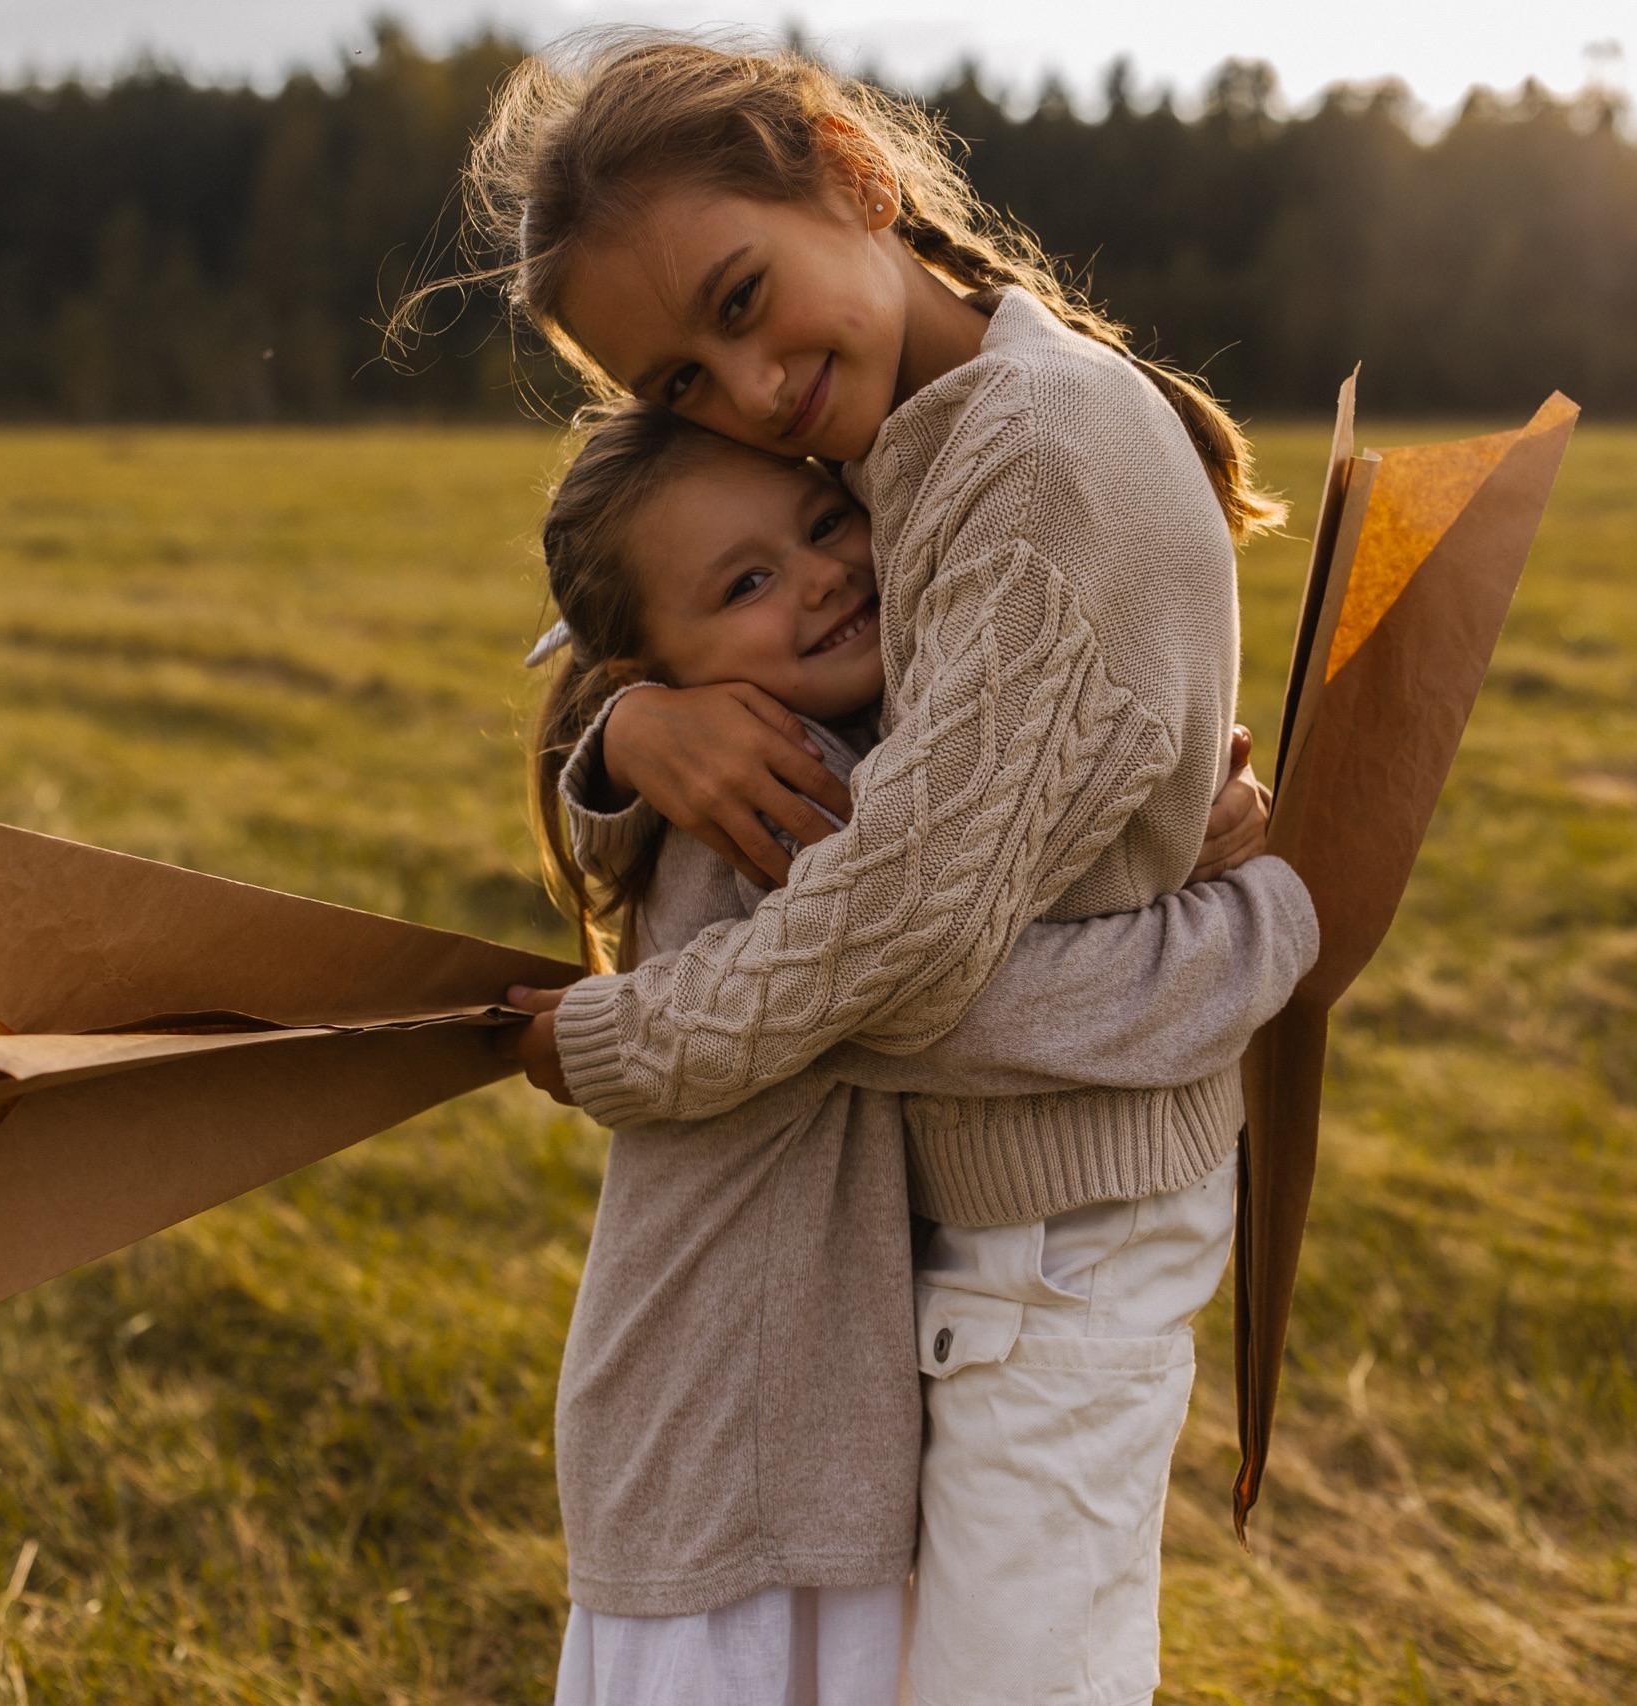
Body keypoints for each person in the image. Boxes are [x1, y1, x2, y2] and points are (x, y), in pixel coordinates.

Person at [415, 33, 1298, 1705]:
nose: (743, 393)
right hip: (975, 1219)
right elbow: (698, 620)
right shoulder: (900, 438)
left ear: (853, 172)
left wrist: (614, 1041)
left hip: (1068, 1221)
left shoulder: (1027, 458)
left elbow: (891, 934)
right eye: (677, 382)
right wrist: (635, 728)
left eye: (740, 302)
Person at [514, 399, 1316, 1705]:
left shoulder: (817, 757)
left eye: (826, 520)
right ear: (652, 663)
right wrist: (1262, 913)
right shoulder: (774, 805)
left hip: (782, 1433)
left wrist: (1161, 828)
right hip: (734, 1444)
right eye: (747, 581)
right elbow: (989, 1005)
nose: (825, 575)